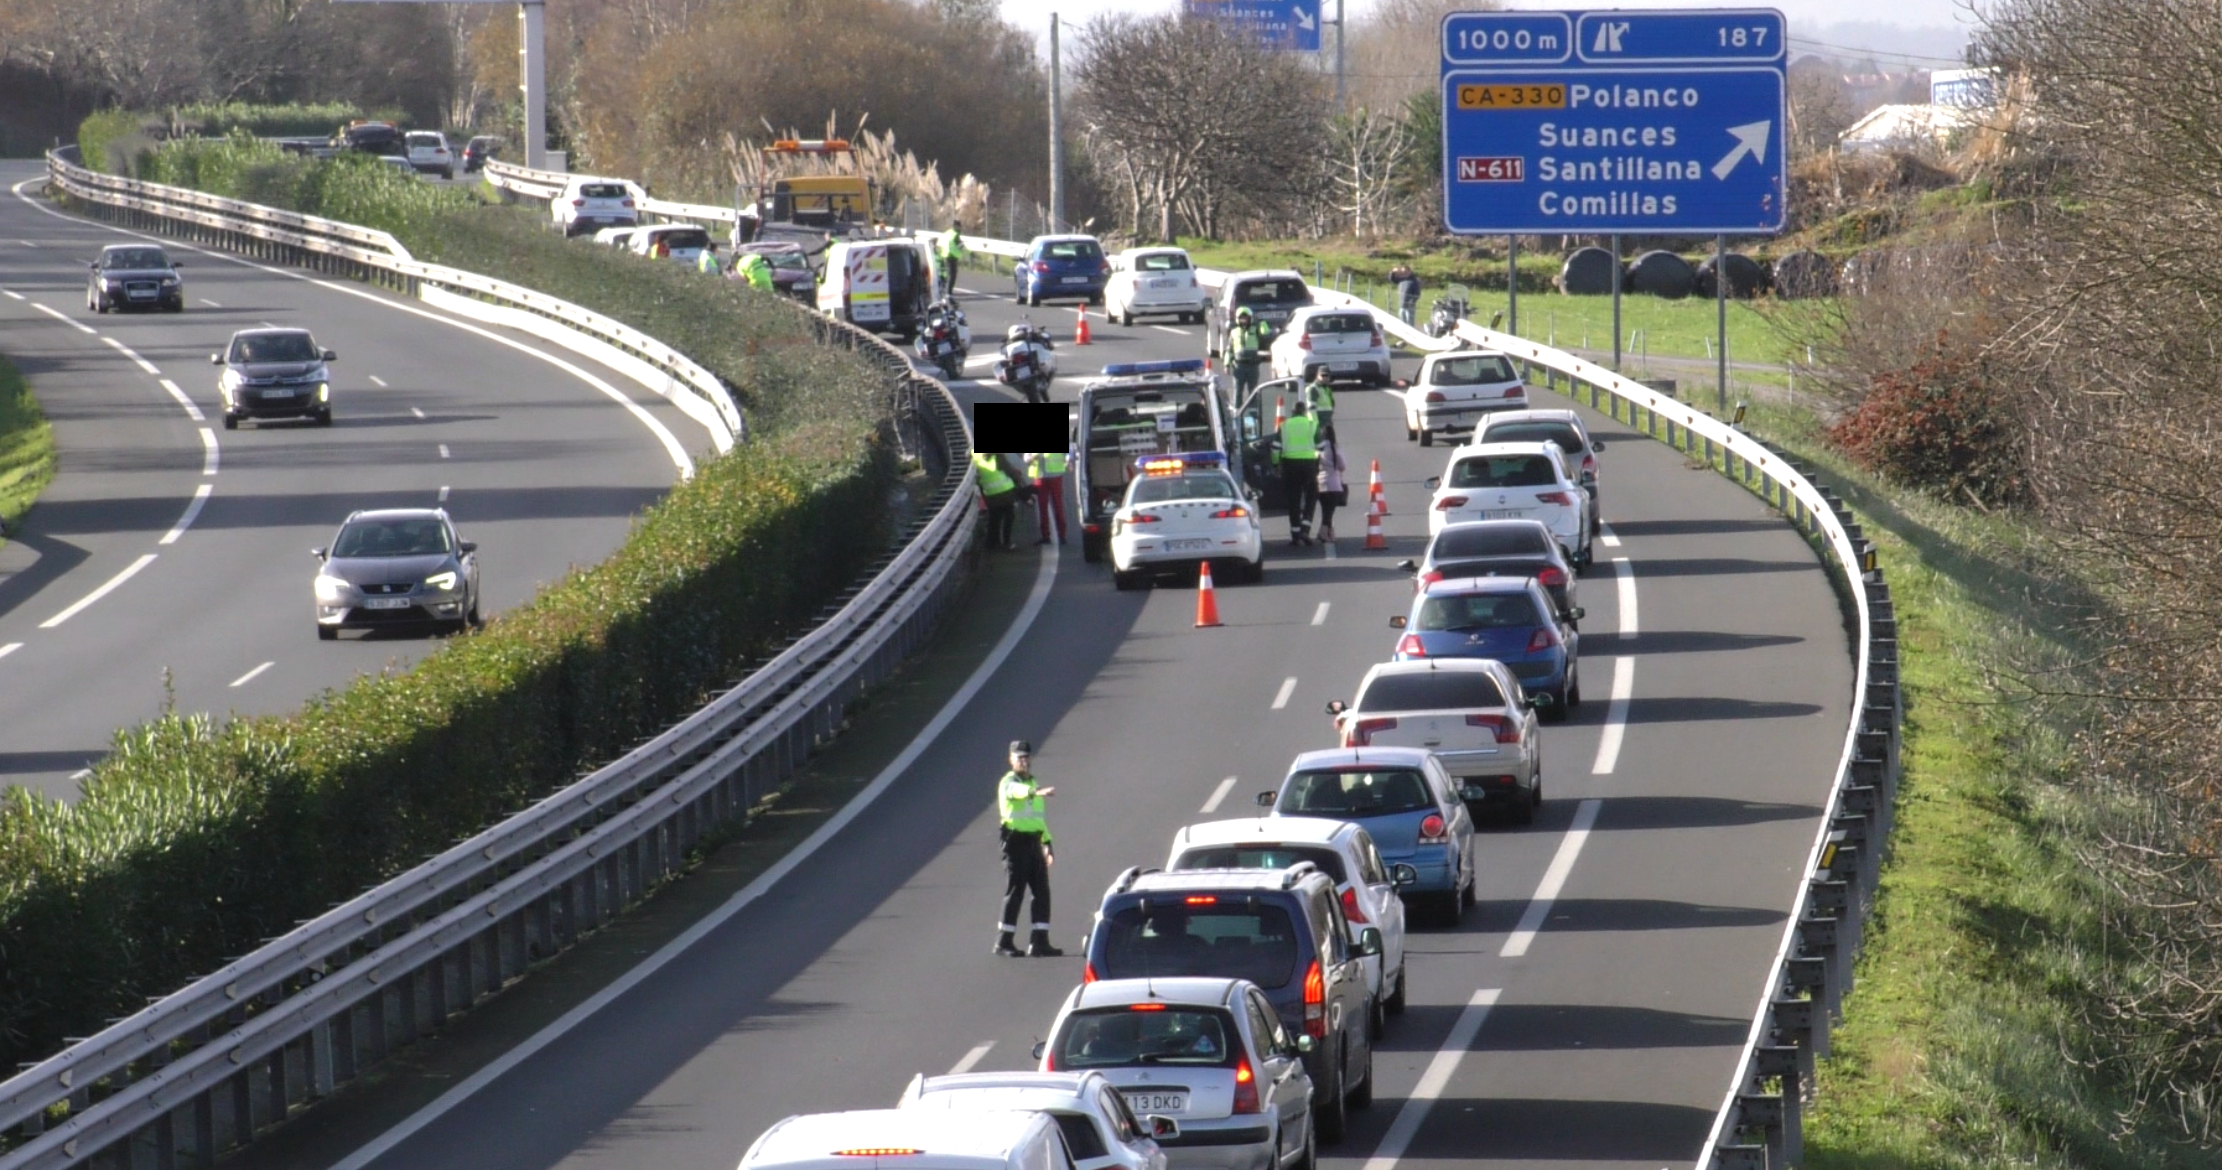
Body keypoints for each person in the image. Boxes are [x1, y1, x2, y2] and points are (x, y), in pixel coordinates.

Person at [995, 740, 1061, 957]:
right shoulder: (1009, 783)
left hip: (1033, 842)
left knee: (1042, 891)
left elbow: (1037, 820)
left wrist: (1047, 842)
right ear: (1010, 760)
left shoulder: (1033, 783)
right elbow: (1017, 792)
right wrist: (1035, 792)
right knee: (1016, 891)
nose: (1023, 761)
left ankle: (1039, 941)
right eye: (1019, 758)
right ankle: (1004, 941)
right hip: (1015, 843)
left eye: (1026, 757)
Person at [1275, 399, 1320, 546]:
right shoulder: (1311, 425)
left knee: (1293, 500)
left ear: (1292, 412)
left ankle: (1295, 535)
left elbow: (1275, 448)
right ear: (1304, 412)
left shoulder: (1284, 425)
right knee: (1311, 497)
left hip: (1290, 465)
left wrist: (1276, 464)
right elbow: (1321, 447)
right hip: (1309, 465)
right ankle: (1305, 530)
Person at [975, 450, 1019, 550]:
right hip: (1005, 494)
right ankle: (1006, 543)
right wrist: (1017, 483)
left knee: (994, 519)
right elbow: (1011, 472)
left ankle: (992, 543)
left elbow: (968, 453)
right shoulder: (998, 458)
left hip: (990, 495)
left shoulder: (977, 458)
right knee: (1009, 518)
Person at [1228, 306, 1271, 399]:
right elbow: (1229, 350)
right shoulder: (1234, 332)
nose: (1244, 320)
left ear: (1250, 319)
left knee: (1253, 392)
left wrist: (1262, 322)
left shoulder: (1256, 329)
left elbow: (1266, 333)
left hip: (1253, 366)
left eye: (1246, 318)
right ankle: (1237, 411)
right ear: (1237, 319)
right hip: (1239, 366)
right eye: (1241, 318)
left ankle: (1253, 411)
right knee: (1238, 392)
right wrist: (1226, 364)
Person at [1027, 448, 1068, 545]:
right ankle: (1045, 536)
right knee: (1042, 507)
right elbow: (1026, 459)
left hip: (1054, 475)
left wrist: (1068, 461)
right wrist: (1032, 458)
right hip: (1040, 476)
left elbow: (1069, 452)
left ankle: (1061, 535)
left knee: (1058, 505)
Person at [1315, 424, 1348, 542]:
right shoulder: (1335, 448)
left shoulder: (1318, 449)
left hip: (1320, 483)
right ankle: (1323, 533)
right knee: (1329, 511)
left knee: (1325, 510)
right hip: (1333, 483)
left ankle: (1329, 533)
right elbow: (1342, 466)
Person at [938, 222, 969, 301]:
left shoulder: (947, 233)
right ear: (957, 226)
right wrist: (969, 253)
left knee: (948, 274)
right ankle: (948, 293)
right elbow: (960, 246)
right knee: (952, 275)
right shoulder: (955, 235)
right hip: (952, 256)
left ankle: (945, 291)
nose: (960, 228)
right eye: (959, 227)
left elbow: (940, 243)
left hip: (945, 255)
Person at [1305, 365, 1336, 429]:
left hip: (1327, 421)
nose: (1325, 378)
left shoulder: (1327, 389)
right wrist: (1315, 424)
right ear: (1317, 376)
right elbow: (1311, 408)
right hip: (1318, 423)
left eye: (1326, 376)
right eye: (1322, 376)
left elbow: (1331, 404)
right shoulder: (1313, 389)